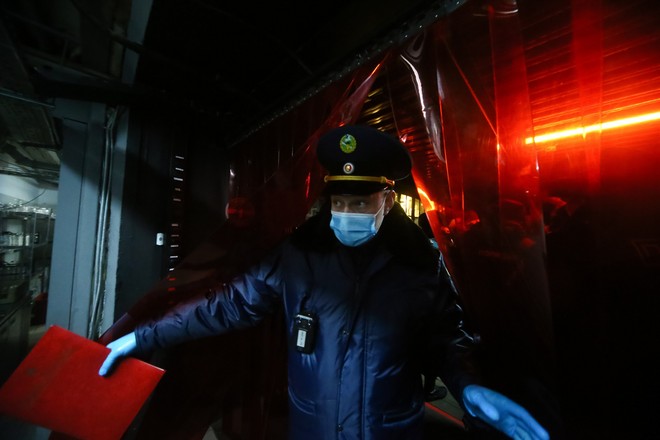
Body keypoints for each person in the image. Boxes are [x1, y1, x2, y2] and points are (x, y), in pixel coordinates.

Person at [99, 125, 549, 440]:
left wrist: (469, 385)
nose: (347, 213)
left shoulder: (419, 264)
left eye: (361, 202)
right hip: (313, 428)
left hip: (390, 431)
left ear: (388, 199)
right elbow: (226, 304)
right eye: (340, 201)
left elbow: (449, 338)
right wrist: (143, 335)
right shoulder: (298, 257)